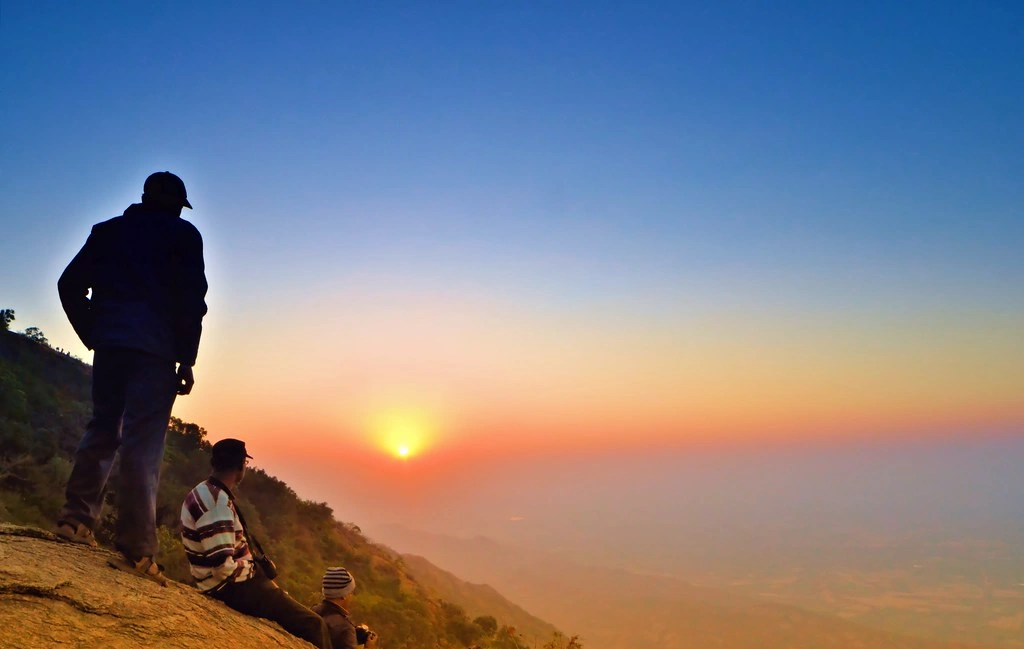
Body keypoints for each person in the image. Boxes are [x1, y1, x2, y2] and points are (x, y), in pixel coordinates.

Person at [55, 171, 208, 585]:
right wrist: (186, 360)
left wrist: (95, 333)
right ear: (176, 205)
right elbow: (192, 303)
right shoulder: (183, 236)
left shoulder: (108, 231)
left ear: (144, 196)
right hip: (156, 353)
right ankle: (137, 551)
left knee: (103, 427)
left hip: (111, 347)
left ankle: (74, 522)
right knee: (143, 445)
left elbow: (69, 285)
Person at [181, 439, 333, 649]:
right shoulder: (217, 504)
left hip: (229, 583)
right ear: (240, 466)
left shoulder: (204, 490)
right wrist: (254, 570)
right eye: (245, 463)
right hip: (229, 588)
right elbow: (222, 568)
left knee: (292, 608)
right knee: (314, 624)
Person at [312, 567, 379, 649]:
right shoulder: (345, 628)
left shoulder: (314, 611)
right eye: (351, 592)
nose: (351, 596)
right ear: (344, 595)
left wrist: (354, 634)